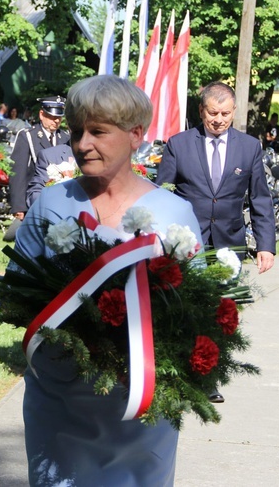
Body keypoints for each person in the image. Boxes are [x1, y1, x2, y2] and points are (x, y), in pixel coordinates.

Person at [11, 75, 201, 486]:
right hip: (59, 404)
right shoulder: (51, 202)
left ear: (136, 135)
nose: (81, 144)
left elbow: (196, 311)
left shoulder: (175, 213)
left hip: (139, 412)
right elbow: (17, 292)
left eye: (98, 131)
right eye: (77, 131)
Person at [156, 81, 276, 403]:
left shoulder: (249, 147)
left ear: (234, 111)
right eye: (212, 113)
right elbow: (162, 193)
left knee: (221, 312)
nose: (219, 119)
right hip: (187, 244)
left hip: (229, 245)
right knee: (185, 308)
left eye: (225, 113)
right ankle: (180, 371)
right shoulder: (178, 145)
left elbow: (260, 200)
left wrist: (266, 244)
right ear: (201, 111)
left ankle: (210, 375)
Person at [9, 96, 70, 220]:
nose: (56, 121)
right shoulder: (28, 136)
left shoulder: (65, 137)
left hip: (63, 201)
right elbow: (18, 172)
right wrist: (19, 206)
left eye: (59, 117)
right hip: (35, 199)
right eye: (52, 117)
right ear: (42, 114)